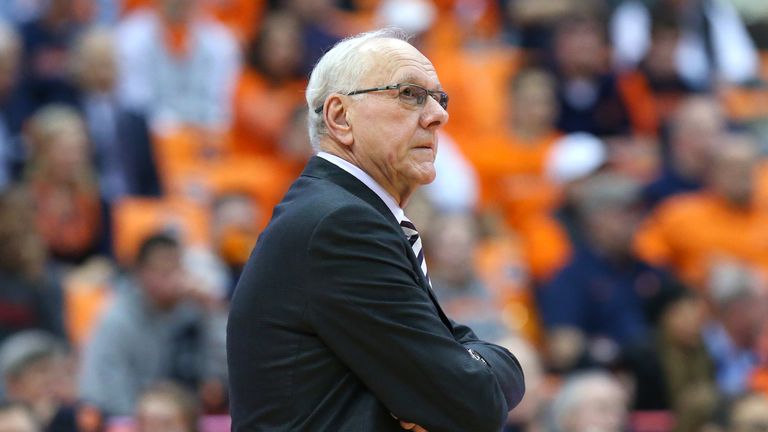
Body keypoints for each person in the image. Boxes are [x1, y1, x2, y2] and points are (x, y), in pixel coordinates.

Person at [227, 28, 525, 432]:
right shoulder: (341, 226)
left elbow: (462, 373)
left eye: (439, 98)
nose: (439, 115)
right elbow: (472, 402)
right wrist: (467, 377)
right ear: (339, 117)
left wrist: (465, 376)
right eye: (408, 94)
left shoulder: (340, 213)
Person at [79, 233, 227, 416]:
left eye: (176, 268)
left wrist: (211, 311)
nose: (172, 279)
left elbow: (226, 372)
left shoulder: (195, 309)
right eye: (162, 271)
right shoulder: (117, 319)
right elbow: (105, 391)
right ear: (140, 273)